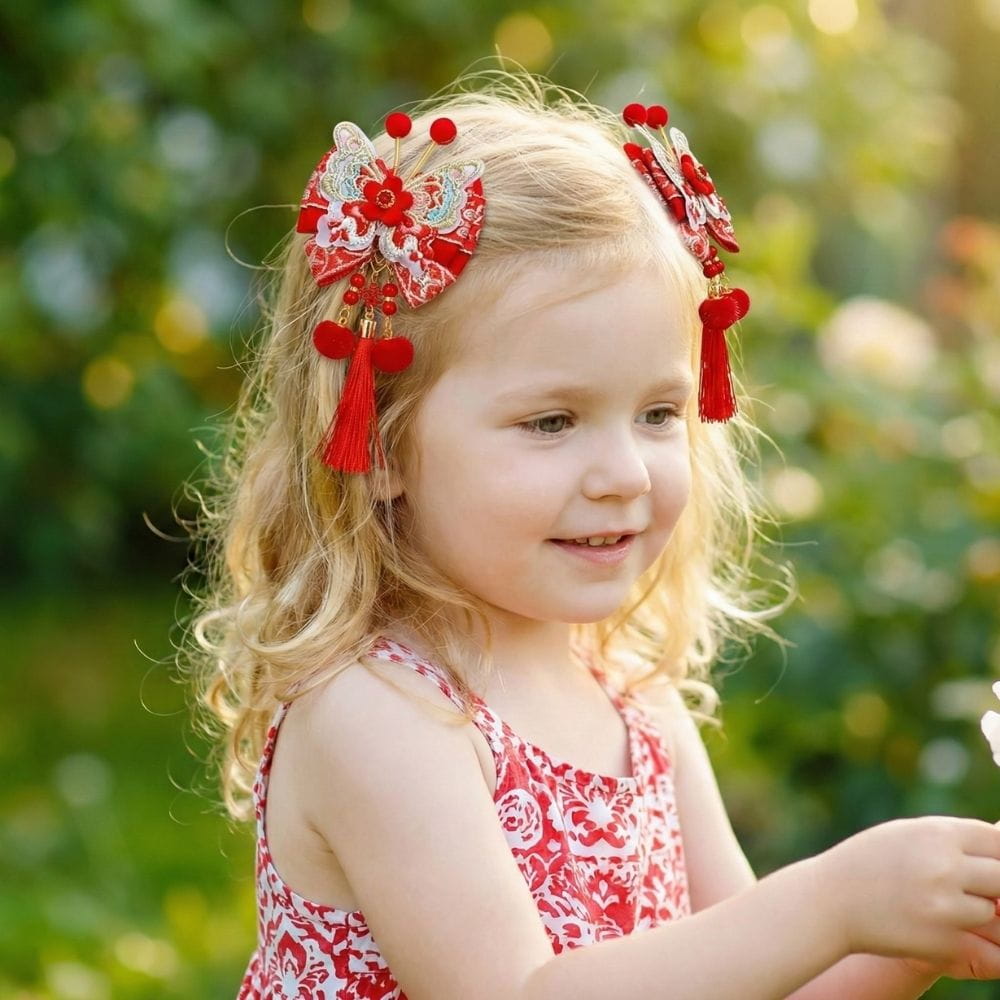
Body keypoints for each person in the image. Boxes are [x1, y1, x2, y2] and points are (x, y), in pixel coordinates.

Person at [181, 67, 1000, 999]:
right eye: (552, 422)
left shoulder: (635, 705)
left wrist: (911, 934)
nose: (625, 474)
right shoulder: (379, 712)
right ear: (380, 445)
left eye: (658, 414)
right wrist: (828, 904)